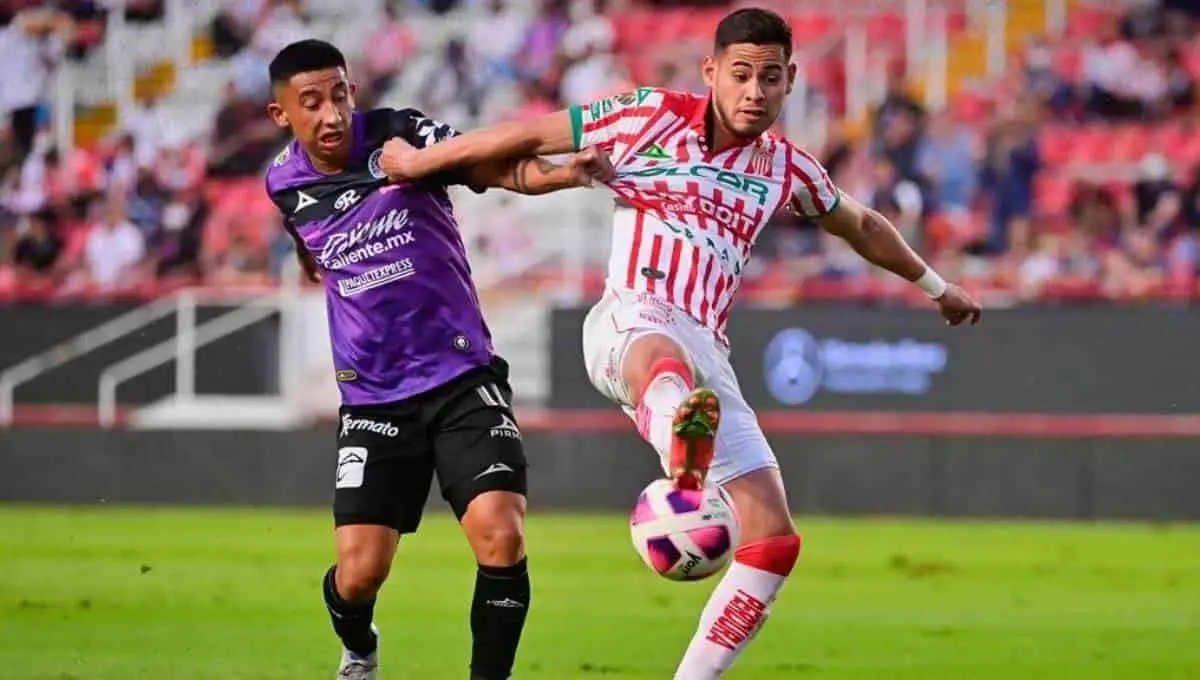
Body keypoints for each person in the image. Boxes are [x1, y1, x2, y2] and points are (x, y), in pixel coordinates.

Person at [378, 8, 982, 679]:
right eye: (741, 75)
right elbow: (523, 135)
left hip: (706, 350)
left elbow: (861, 223)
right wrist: (418, 162)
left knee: (773, 541)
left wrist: (936, 286)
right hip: (629, 318)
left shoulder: (787, 168)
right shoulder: (646, 115)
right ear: (711, 72)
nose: (755, 91)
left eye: (770, 78)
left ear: (791, 82)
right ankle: (684, 460)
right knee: (667, 364)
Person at [263, 39, 611, 680]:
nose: (331, 113)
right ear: (281, 114)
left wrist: (568, 173)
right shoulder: (282, 181)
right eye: (311, 103)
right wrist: (316, 264)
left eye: (339, 94)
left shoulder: (401, 135)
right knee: (359, 574)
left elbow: (495, 169)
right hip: (373, 396)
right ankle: (359, 647)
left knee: (501, 535)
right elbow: (305, 233)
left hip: (460, 377)